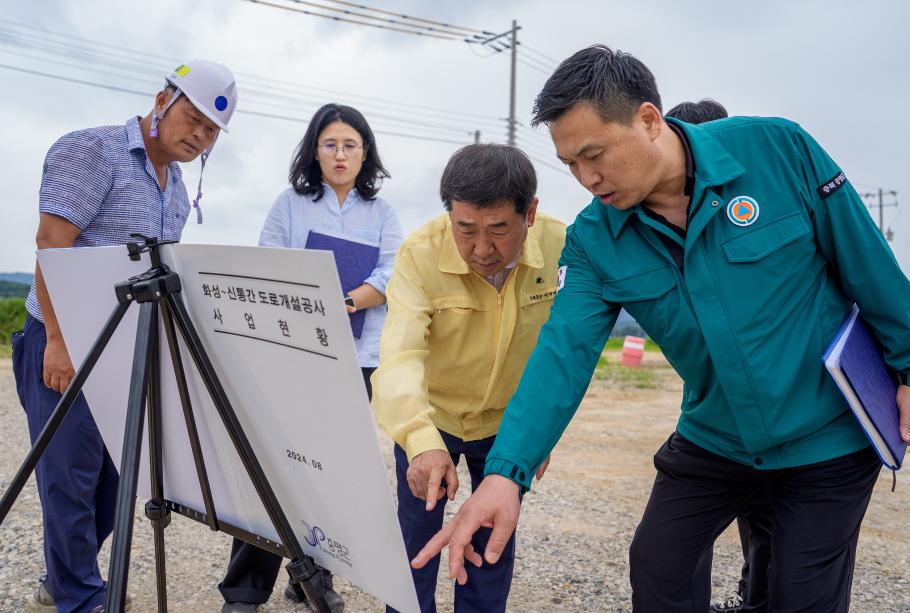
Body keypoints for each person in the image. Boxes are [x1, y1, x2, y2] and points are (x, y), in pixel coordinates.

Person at [412, 45, 910, 613]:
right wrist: (506, 474)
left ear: (649, 120)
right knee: (658, 566)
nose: (586, 178)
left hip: (825, 435)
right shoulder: (595, 239)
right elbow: (564, 352)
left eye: (594, 154)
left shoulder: (779, 151)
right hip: (717, 437)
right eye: (570, 164)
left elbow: (869, 265)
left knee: (801, 592)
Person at [11, 59, 237, 613]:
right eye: (192, 118)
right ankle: (82, 598)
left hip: (126, 353)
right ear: (162, 99)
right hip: (63, 342)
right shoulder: (93, 150)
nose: (199, 136)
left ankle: (62, 580)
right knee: (69, 480)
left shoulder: (178, 189)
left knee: (117, 482)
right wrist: (61, 344)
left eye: (211, 131)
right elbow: (52, 242)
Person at [217, 103, 402, 613]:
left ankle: (311, 581)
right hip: (291, 353)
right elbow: (266, 262)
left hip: (355, 357)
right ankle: (245, 590)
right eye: (330, 144)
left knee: (328, 471)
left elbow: (392, 274)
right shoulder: (291, 204)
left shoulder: (382, 213)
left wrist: (341, 302)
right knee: (272, 469)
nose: (340, 154)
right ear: (314, 151)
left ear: (366, 154)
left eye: (350, 145)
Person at [371, 143, 565, 613]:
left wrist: (539, 432)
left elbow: (565, 351)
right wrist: (419, 440)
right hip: (431, 418)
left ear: (530, 213)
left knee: (490, 540)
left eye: (499, 229)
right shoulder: (419, 253)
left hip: (509, 424)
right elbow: (400, 354)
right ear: (449, 217)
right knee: (416, 537)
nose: (482, 249)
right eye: (465, 229)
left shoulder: (562, 246)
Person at [667, 99, 770, 613]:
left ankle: (754, 597)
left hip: (775, 414)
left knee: (766, 519)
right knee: (703, 523)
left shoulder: (750, 205)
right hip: (710, 415)